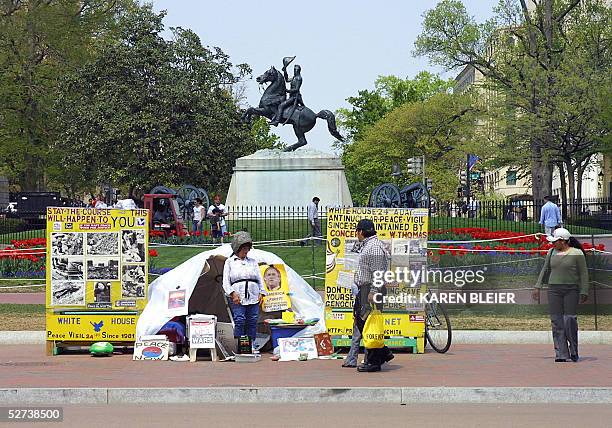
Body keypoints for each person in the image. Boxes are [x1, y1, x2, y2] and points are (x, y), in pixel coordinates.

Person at [342, 219, 393, 372]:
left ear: (361, 231)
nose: (356, 234)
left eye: (357, 231)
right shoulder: (369, 245)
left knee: (368, 325)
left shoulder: (374, 247)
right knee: (362, 323)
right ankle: (380, 355)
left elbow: (378, 272)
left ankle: (375, 360)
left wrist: (374, 291)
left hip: (370, 290)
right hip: (364, 289)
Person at [532, 228, 589, 362]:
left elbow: (584, 274)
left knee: (569, 319)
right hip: (553, 290)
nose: (552, 244)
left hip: (571, 290)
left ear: (563, 241)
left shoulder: (577, 253)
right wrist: (537, 287)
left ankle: (573, 350)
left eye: (555, 241)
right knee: (556, 321)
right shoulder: (551, 252)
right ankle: (561, 354)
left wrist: (584, 290)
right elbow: (545, 269)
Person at [222, 232, 266, 348]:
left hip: (253, 294)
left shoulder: (252, 262)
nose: (246, 251)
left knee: (252, 320)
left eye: (247, 248)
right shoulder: (230, 262)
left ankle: (251, 344)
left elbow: (259, 278)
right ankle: (240, 345)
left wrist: (262, 292)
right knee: (240, 319)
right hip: (238, 294)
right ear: (238, 248)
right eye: (243, 248)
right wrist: (232, 293)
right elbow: (226, 281)